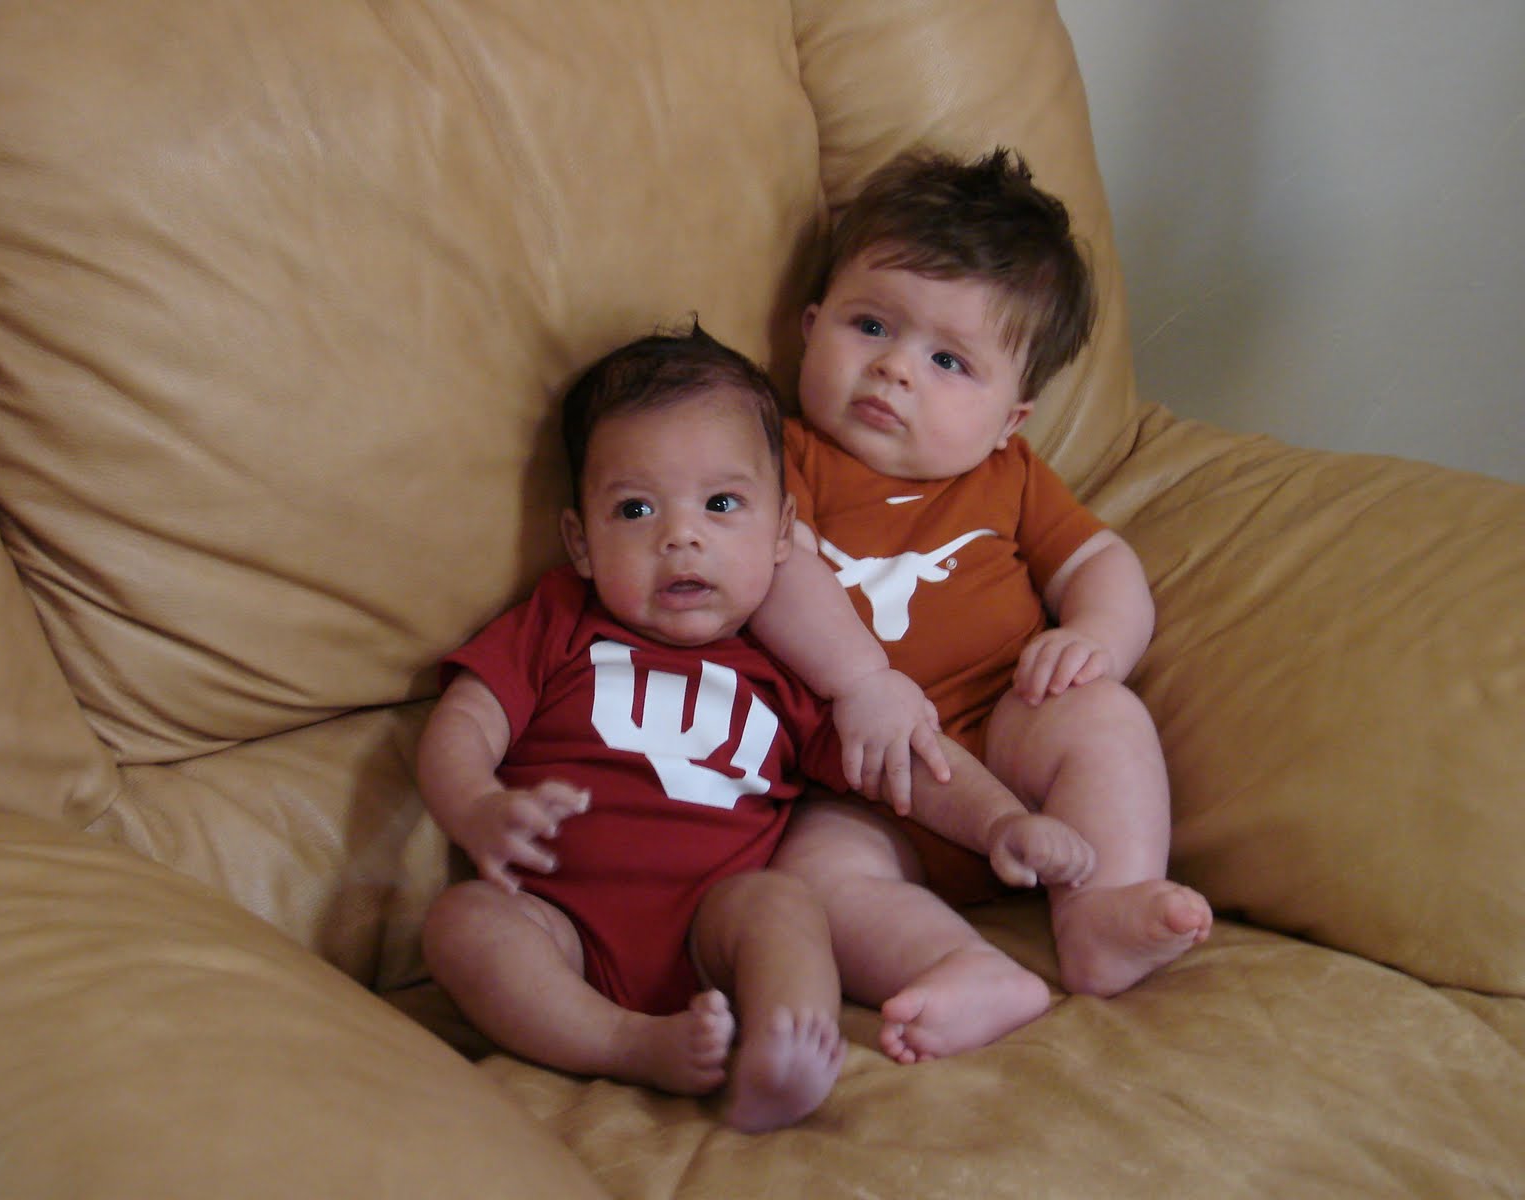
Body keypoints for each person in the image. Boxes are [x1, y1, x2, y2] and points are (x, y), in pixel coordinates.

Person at [749, 149, 1214, 1065]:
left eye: (949, 360)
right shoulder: (778, 459)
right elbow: (774, 569)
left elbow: (1102, 561)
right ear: (810, 327)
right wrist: (861, 683)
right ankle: (962, 967)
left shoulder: (1009, 477)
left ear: (1010, 419)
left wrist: (1096, 641)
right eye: (870, 325)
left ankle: (1100, 909)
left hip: (1005, 730)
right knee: (809, 883)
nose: (894, 369)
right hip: (862, 781)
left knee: (1103, 716)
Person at [419, 325, 863, 1133]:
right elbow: (464, 722)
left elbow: (889, 765)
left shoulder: (787, 668)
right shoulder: (558, 620)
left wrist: (999, 820)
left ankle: (785, 1047)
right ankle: (626, 1043)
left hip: (713, 928)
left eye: (721, 504)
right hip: (557, 925)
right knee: (462, 924)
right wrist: (475, 807)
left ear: (781, 532)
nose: (680, 536)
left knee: (781, 903)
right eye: (635, 509)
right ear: (582, 543)